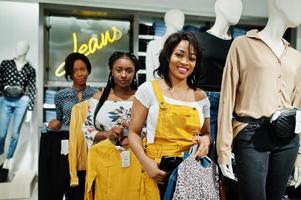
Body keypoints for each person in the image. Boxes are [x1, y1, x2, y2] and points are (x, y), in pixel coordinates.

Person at [216, 0, 301, 199]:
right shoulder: (242, 45)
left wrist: (300, 155)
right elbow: (227, 98)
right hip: (251, 134)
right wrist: (223, 149)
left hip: (288, 139)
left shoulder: (296, 57)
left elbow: (298, 106)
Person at [129, 31, 211, 199]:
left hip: (190, 173)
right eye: (179, 55)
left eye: (192, 58)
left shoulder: (201, 97)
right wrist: (148, 165)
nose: (185, 62)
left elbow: (206, 133)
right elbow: (133, 133)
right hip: (157, 170)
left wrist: (206, 141)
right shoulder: (148, 89)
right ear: (168, 56)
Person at [82, 52, 144, 199]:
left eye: (129, 71)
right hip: (104, 162)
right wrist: (106, 134)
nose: (124, 75)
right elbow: (87, 128)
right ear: (111, 70)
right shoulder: (98, 97)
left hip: (135, 162)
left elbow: (151, 128)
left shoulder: (141, 98)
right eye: (119, 70)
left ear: (134, 73)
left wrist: (134, 138)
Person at [39, 52, 96, 200]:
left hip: (88, 144)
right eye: (75, 70)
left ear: (88, 70)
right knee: (66, 181)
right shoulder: (60, 96)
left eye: (82, 69)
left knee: (85, 185)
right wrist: (54, 124)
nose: (79, 73)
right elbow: (59, 120)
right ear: (70, 73)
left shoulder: (96, 94)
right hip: (67, 143)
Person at [198, 0, 242, 162]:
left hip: (230, 101)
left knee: (225, 154)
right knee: (201, 151)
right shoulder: (198, 39)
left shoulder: (238, 44)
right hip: (202, 99)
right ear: (218, 7)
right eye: (233, 5)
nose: (238, 10)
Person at [0, 41, 36, 182]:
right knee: (1, 134)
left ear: (27, 50)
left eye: (21, 47)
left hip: (21, 102)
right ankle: (2, 157)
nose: (18, 49)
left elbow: (32, 88)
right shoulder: (5, 64)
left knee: (15, 134)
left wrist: (30, 109)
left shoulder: (30, 70)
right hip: (6, 100)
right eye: (17, 46)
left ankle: (7, 164)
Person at [146, 9, 185, 81]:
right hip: (158, 88)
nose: (182, 21)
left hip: (179, 88)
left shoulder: (185, 45)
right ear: (168, 20)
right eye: (178, 18)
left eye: (183, 18)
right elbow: (149, 72)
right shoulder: (153, 45)